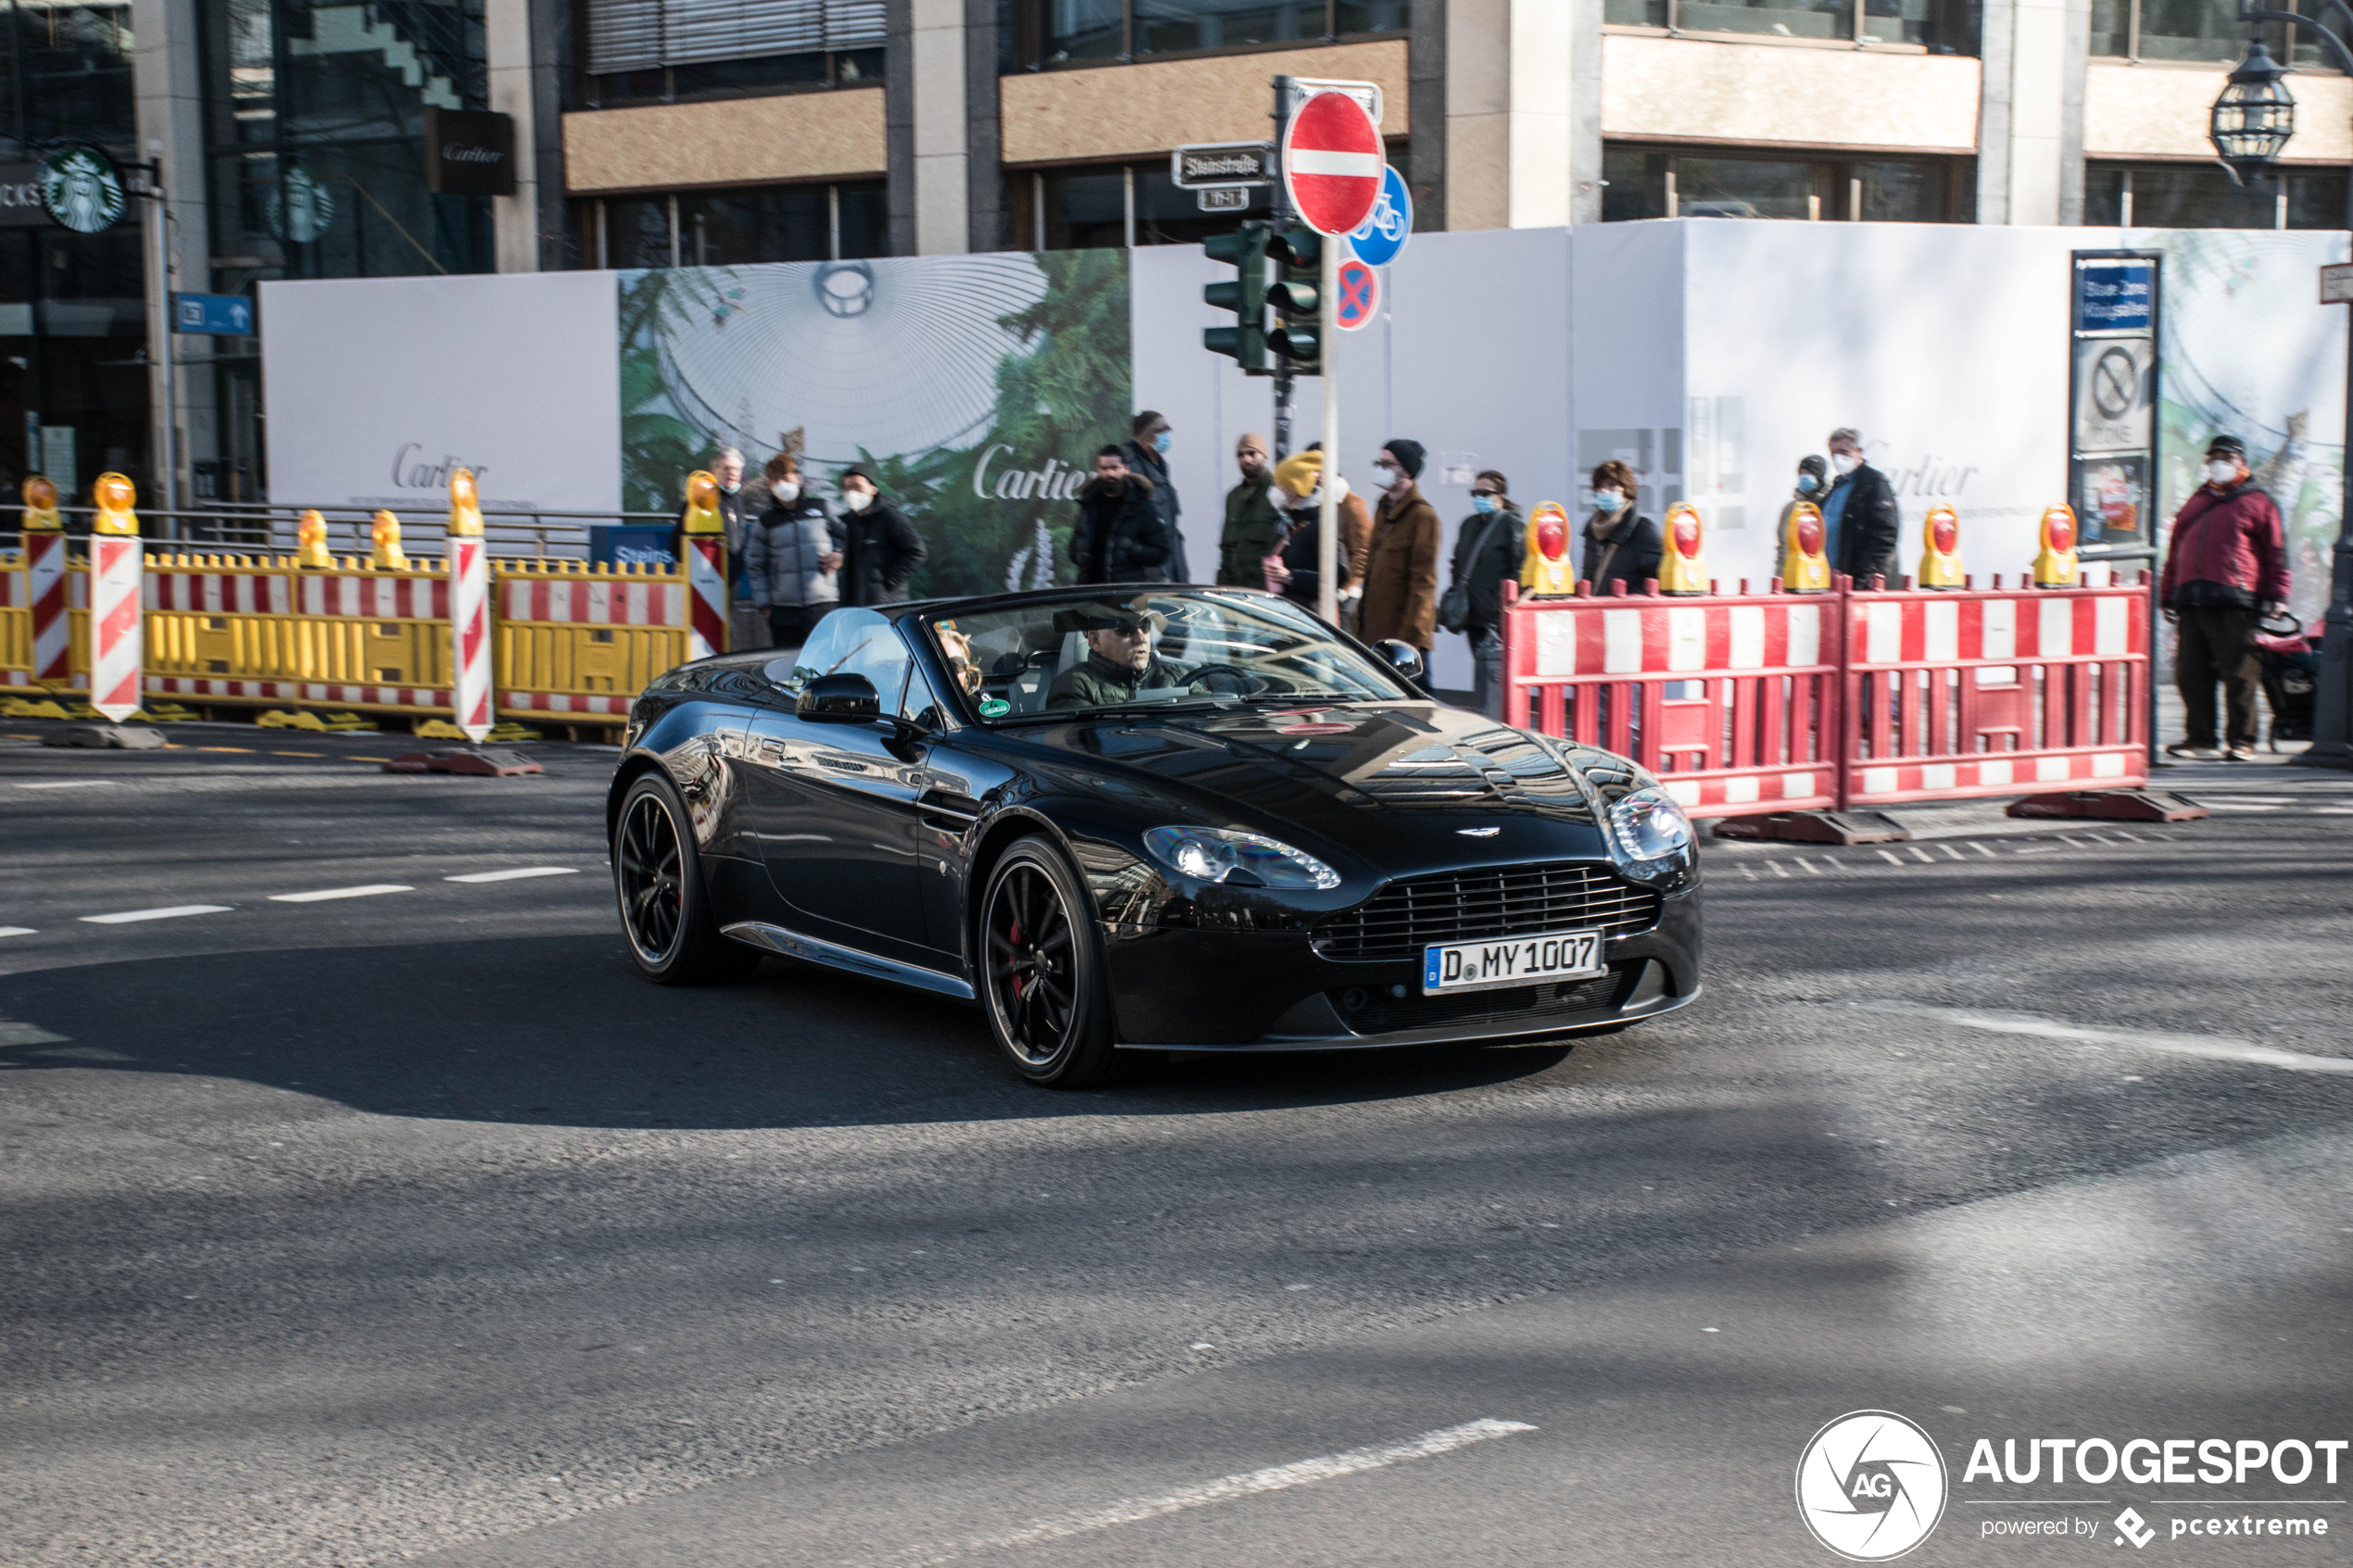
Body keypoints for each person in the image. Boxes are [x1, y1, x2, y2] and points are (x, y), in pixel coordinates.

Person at [2159, 433, 2290, 760]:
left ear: (2241, 462)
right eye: (2214, 458)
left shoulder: (2259, 502)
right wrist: (2168, 595)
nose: (2218, 463)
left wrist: (2278, 595)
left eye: (2226, 458)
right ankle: (2200, 738)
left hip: (2236, 601)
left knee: (2241, 674)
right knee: (2191, 674)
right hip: (2192, 600)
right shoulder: (2197, 501)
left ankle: (2242, 740)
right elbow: (2175, 550)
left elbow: (2276, 554)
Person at [741, 452, 841, 651]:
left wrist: (840, 553)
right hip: (784, 612)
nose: (782, 484)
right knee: (790, 670)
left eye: (786, 478)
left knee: (826, 664)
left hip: (823, 605)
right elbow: (755, 563)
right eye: (776, 480)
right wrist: (765, 605)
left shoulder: (820, 508)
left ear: (797, 477)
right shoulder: (766, 521)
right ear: (770, 484)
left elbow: (849, 535)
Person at [1444, 470, 1523, 718]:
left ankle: (1502, 717)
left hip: (1496, 617)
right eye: (1475, 493)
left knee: (1498, 675)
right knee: (1481, 671)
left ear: (1501, 495)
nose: (1479, 497)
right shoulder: (1469, 524)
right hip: (1472, 615)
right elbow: (1457, 561)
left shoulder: (1512, 524)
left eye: (1485, 493)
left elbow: (1520, 567)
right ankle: (1487, 714)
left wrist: (1500, 600)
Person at [673, 445, 763, 650]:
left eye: (736, 470)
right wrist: (697, 571)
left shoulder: (737, 500)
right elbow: (677, 542)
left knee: (725, 637)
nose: (732, 474)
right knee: (712, 640)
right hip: (706, 582)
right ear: (713, 470)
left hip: (730, 582)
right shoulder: (702, 498)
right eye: (726, 468)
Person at [1262, 449, 1370, 621]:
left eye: (1278, 484)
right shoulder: (1282, 523)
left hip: (1310, 622)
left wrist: (1290, 577)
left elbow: (1338, 575)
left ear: (1292, 489)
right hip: (1283, 617)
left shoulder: (1322, 523)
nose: (1273, 489)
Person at [1046, 599, 1211, 709]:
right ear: (1095, 640)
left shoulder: (1177, 676)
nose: (1141, 638)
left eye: (1145, 626)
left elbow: (1214, 716)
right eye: (1125, 629)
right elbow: (1087, 743)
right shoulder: (1073, 685)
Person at [1071, 445, 1170, 584]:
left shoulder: (1141, 505)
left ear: (1126, 469)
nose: (1109, 473)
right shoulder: (1090, 503)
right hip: (1089, 590)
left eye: (1114, 468)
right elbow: (1075, 544)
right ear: (1098, 470)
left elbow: (1161, 553)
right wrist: (1081, 553)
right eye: (1104, 468)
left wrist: (1131, 548)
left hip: (1126, 592)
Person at [1821, 427, 1901, 588]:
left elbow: (1886, 532)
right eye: (1834, 453)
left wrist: (1861, 576)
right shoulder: (1836, 487)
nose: (1839, 458)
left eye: (1844, 452)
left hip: (1863, 585)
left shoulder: (1873, 482)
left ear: (1859, 452)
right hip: (1833, 584)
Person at [836, 463, 926, 605]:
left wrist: (887, 585)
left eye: (857, 486)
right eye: (847, 488)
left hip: (886, 607)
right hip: (856, 609)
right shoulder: (851, 522)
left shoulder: (889, 515)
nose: (851, 492)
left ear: (873, 489)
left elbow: (917, 551)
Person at [1122, 411, 1188, 582]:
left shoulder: (1161, 467)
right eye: (1162, 430)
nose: (1167, 435)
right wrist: (1156, 576)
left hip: (1171, 569)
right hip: (1149, 578)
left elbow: (1171, 529)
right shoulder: (1132, 469)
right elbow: (1135, 532)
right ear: (1149, 435)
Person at [1579, 459, 1662, 595]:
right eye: (1600, 486)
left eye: (1612, 485)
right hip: (1596, 613)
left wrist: (1629, 601)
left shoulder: (1644, 530)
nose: (1604, 491)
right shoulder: (1593, 531)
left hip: (1628, 613)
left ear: (1626, 491)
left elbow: (1657, 582)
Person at [1216, 432, 1283, 586]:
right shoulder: (1233, 497)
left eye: (1252, 453)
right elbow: (1227, 550)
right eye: (1241, 455)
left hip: (1265, 587)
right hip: (1235, 586)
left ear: (1264, 456)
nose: (1246, 459)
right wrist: (1221, 587)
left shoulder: (1278, 490)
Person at [1779, 454, 1830, 541]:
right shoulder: (1791, 508)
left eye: (1809, 473)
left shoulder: (1831, 503)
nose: (1804, 477)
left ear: (1819, 476)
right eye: (1801, 473)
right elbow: (1783, 542)